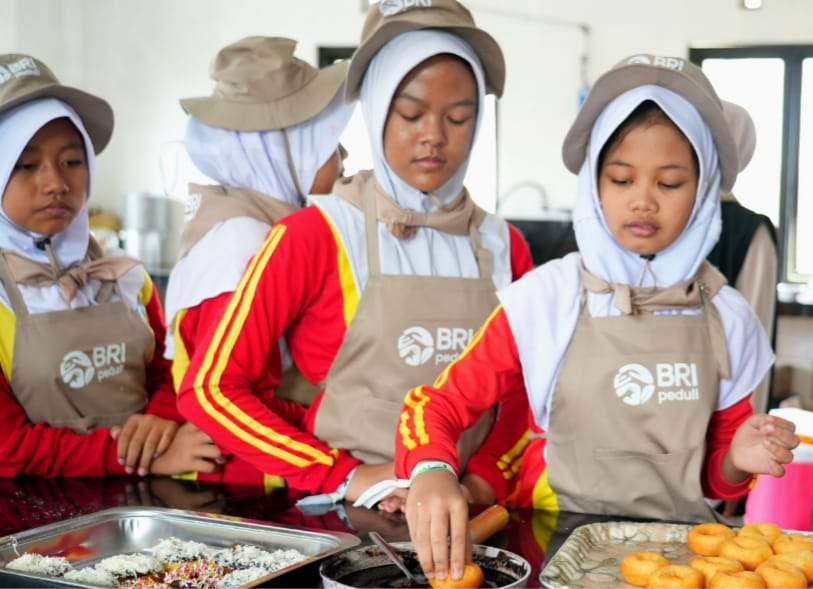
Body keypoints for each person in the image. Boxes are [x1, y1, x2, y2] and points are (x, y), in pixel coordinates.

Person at [395, 54, 800, 582]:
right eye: (622, 179)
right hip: (551, 545)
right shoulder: (547, 298)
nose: (644, 201)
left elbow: (713, 479)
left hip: (678, 559)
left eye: (671, 183)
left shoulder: (727, 315)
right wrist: (431, 469)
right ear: (594, 184)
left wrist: (736, 460)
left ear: (703, 193)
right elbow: (438, 404)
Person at [177, 0, 533, 507]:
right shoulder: (316, 234)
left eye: (459, 117)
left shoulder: (504, 245)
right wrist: (342, 475)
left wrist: (482, 482)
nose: (433, 135)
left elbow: (526, 394)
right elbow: (210, 389)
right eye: (410, 114)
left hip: (469, 511)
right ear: (375, 113)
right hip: (346, 516)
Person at [0, 54, 220, 478]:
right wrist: (144, 459)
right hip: (35, 522)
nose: (55, 184)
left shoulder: (126, 278)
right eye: (26, 165)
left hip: (144, 510)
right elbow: (9, 448)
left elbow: (170, 373)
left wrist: (161, 417)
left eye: (72, 161)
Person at [164, 37, 354, 485]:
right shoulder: (243, 243)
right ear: (285, 152)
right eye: (329, 145)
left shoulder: (239, 219)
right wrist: (339, 415)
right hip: (254, 484)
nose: (344, 159)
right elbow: (233, 395)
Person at [706, 100, 778, 415]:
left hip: (723, 420)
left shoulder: (749, 231)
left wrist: (744, 430)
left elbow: (753, 337)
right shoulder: (656, 220)